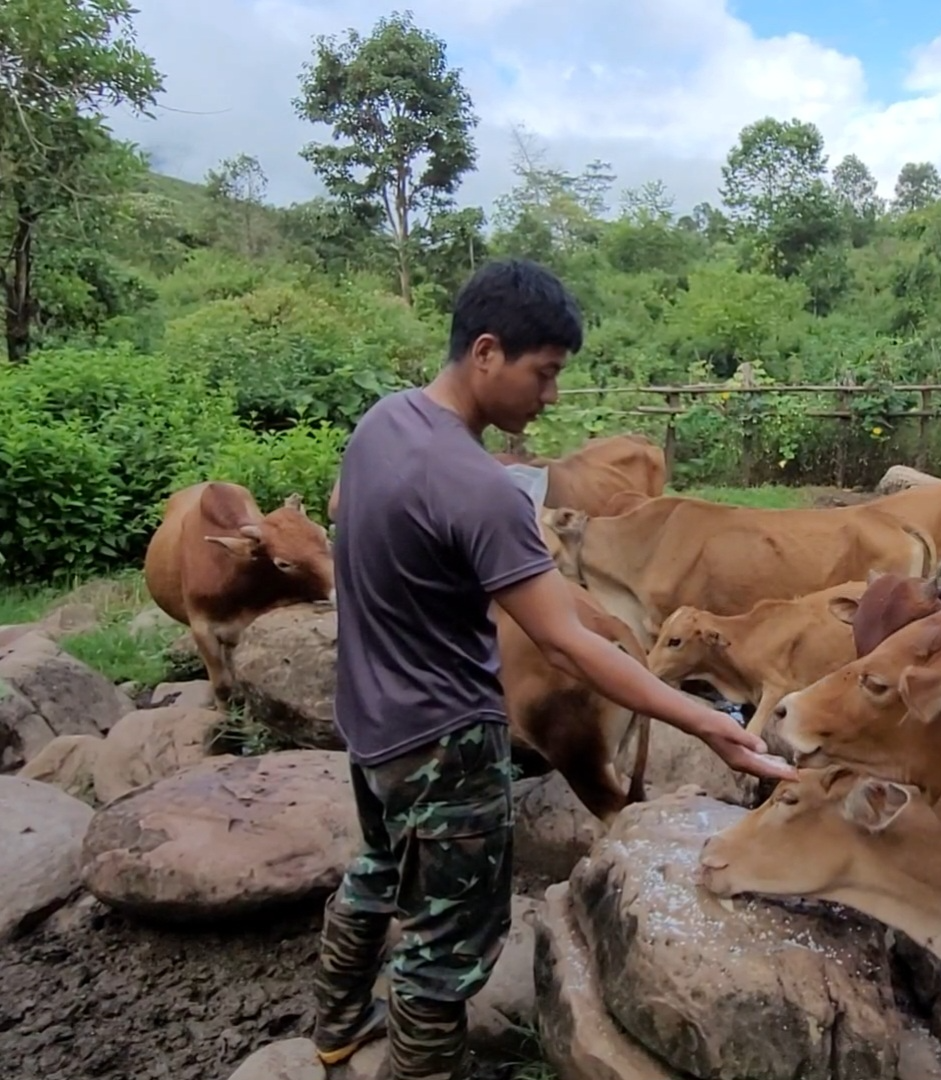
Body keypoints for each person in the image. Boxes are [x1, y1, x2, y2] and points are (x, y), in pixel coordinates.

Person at [309, 257, 797, 1080]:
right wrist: (711, 721)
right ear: (488, 352)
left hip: (369, 721)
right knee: (449, 946)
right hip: (446, 739)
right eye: (546, 373)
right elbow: (571, 641)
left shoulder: (381, 425)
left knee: (375, 869)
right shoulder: (482, 490)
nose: (552, 397)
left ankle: (335, 1024)